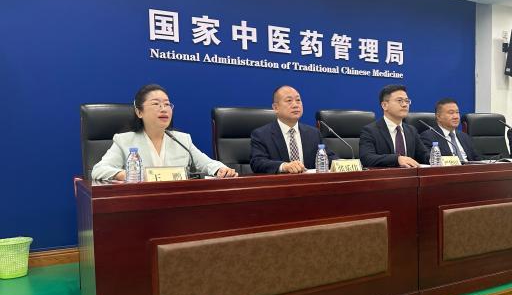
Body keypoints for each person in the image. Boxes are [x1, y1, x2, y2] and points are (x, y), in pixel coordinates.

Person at [91, 84, 238, 181]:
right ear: (139, 112)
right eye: (156, 104)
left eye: (167, 104)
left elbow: (206, 163)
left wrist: (220, 169)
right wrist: (128, 175)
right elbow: (98, 170)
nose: (163, 109)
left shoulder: (182, 140)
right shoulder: (124, 141)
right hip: (138, 204)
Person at [250, 85, 335, 174]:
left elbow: (330, 158)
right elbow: (257, 163)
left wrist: (342, 163)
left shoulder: (313, 133)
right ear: (275, 108)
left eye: (298, 100)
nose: (295, 105)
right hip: (281, 182)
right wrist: (284, 166)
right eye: (289, 100)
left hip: (310, 182)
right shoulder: (261, 135)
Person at [359, 84, 430, 168]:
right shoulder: (370, 131)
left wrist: (438, 159)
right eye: (399, 100)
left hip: (410, 175)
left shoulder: (411, 130)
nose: (405, 105)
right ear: (384, 105)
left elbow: (424, 155)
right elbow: (367, 158)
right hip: (385, 175)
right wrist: (397, 159)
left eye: (407, 101)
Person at [420, 98, 482, 162]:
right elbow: (430, 160)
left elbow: (478, 160)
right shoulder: (428, 137)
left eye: (457, 112)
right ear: (438, 117)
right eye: (451, 113)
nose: (456, 117)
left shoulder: (464, 137)